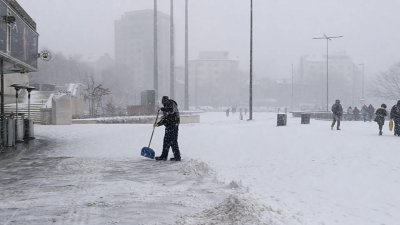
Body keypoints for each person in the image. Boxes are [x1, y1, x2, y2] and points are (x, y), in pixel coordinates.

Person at [155, 96, 181, 161]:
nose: (164, 103)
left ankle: (177, 157)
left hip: (174, 124)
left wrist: (163, 109)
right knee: (166, 141)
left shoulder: (172, 103)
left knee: (173, 141)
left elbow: (171, 110)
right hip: (169, 125)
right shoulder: (166, 106)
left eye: (164, 102)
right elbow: (165, 118)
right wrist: (158, 124)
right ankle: (164, 156)